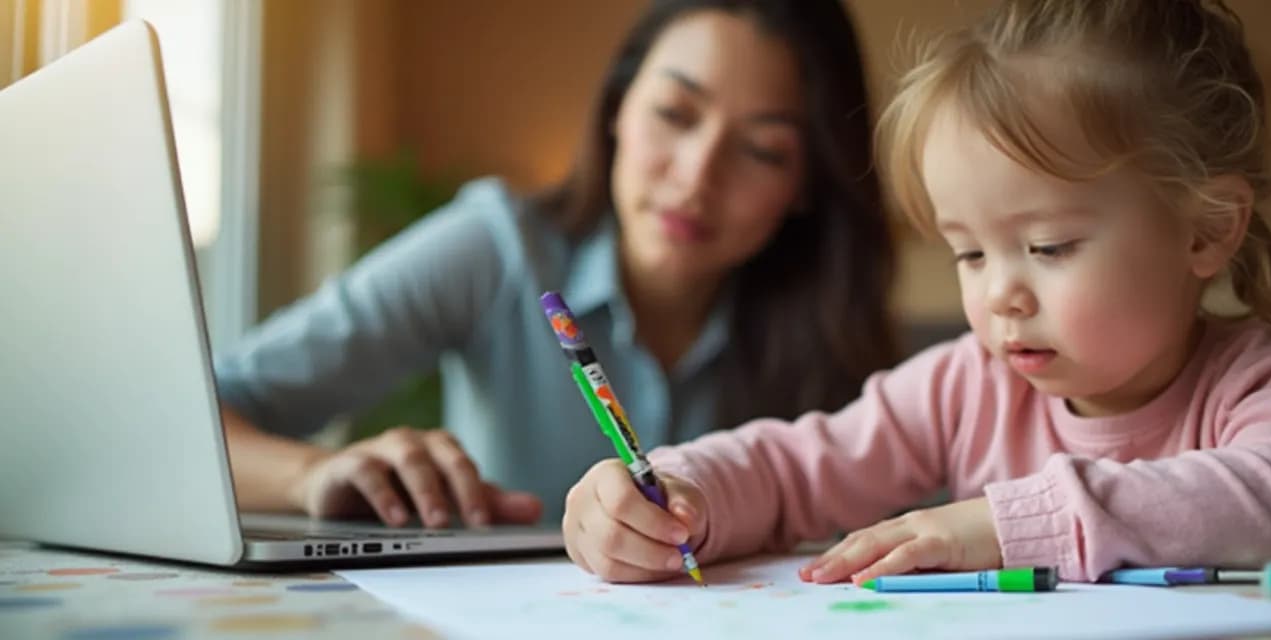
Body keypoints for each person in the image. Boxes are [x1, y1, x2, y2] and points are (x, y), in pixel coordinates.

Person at [562, 0, 1271, 584]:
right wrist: (680, 492)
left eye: (1048, 247)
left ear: (1206, 230)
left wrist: (1003, 525)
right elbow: (798, 466)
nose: (1001, 295)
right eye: (969, 253)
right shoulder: (966, 386)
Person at [215, 0, 900, 529]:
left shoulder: (835, 332)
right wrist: (310, 475)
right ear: (617, 110)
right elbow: (202, 412)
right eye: (673, 112)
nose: (697, 177)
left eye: (762, 151)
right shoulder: (497, 248)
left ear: (808, 185)